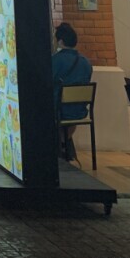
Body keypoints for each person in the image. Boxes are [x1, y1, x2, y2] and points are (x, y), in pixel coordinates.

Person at [52, 22, 92, 162]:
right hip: (79, 111)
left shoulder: (55, 61)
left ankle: (59, 146)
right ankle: (65, 145)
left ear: (60, 41)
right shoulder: (86, 62)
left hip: (59, 110)